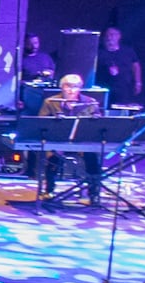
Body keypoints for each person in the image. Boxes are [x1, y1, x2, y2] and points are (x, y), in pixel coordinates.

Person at [35, 73, 104, 205]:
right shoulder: (51, 102)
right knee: (53, 156)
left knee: (93, 158)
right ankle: (49, 190)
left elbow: (98, 122)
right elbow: (41, 122)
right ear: (61, 87)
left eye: (76, 87)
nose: (72, 90)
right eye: (68, 86)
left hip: (82, 142)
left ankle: (93, 193)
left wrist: (95, 119)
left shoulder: (90, 102)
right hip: (59, 141)